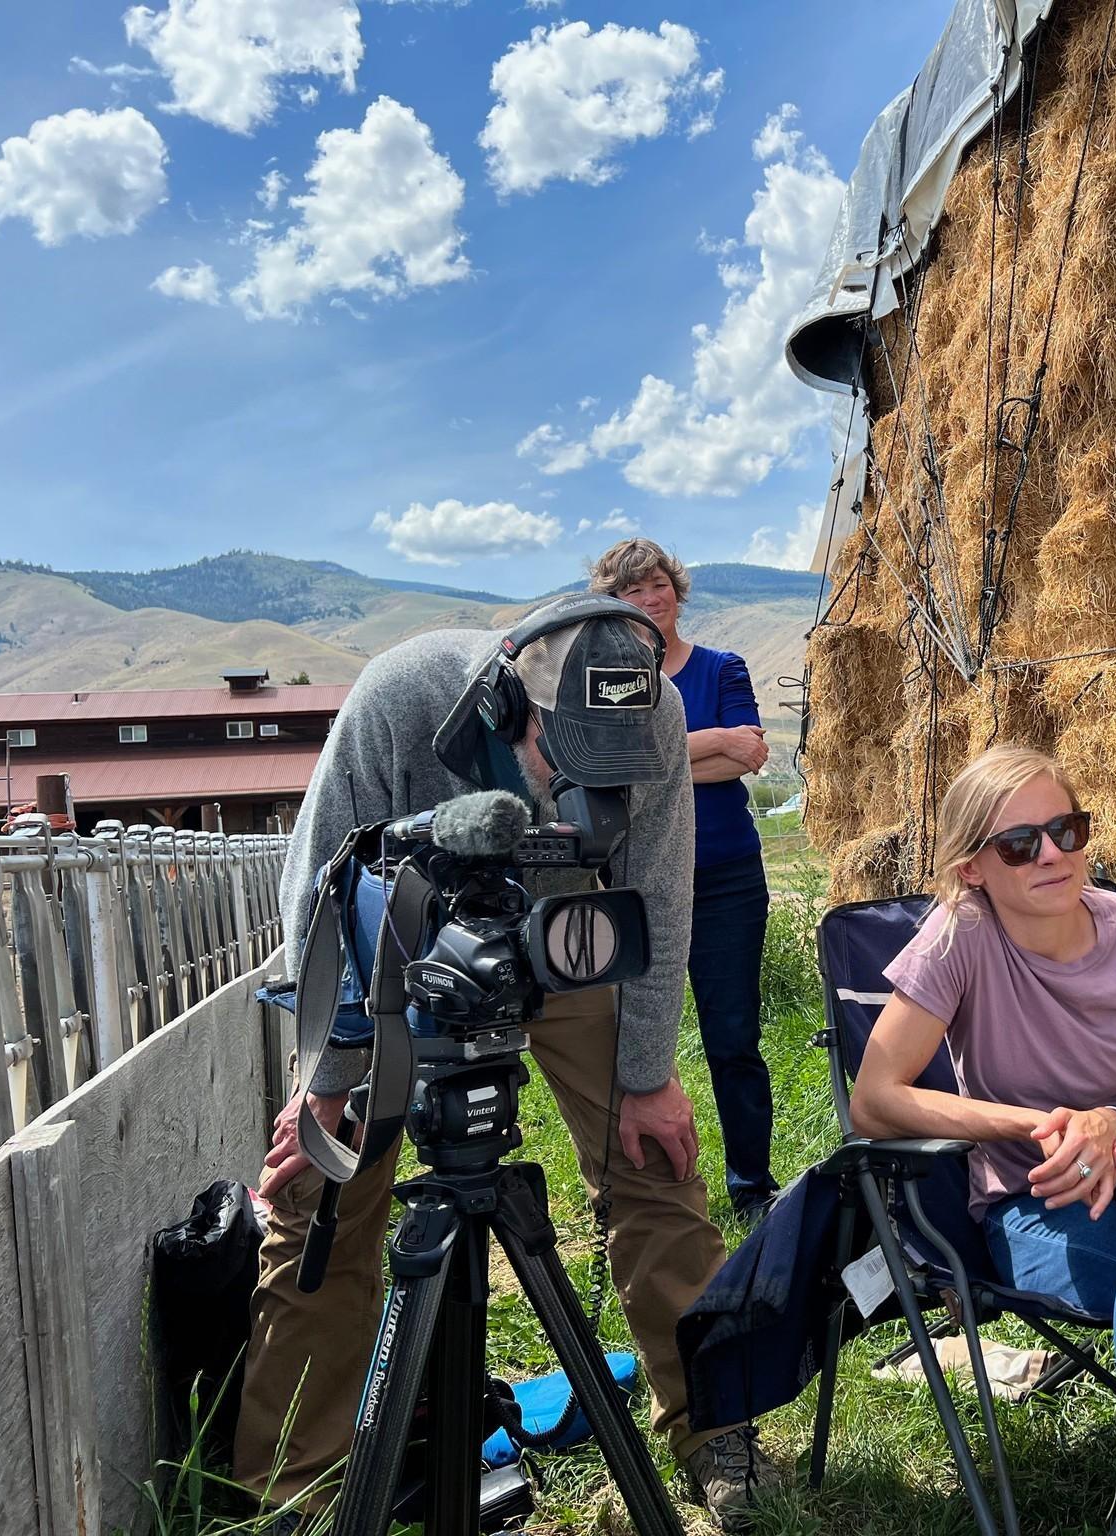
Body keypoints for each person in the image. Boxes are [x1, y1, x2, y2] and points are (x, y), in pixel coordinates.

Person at [232, 596, 778, 1529]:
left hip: (563, 937)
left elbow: (657, 900)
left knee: (657, 1165)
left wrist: (648, 1075)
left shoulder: (656, 717)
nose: (587, 795)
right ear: (505, 705)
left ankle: (714, 1425)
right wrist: (327, 1080)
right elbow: (321, 883)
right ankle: (294, 1487)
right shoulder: (402, 697)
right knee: (322, 1188)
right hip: (392, 945)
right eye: (568, 766)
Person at [849, 746, 1116, 1536]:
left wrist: (1113, 1126)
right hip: (1037, 1204)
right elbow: (875, 1097)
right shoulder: (960, 936)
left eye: (1067, 830)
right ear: (973, 869)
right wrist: (1033, 1127)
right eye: (1020, 843)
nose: (1053, 855)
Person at [593, 539, 779, 1222]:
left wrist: (656, 760)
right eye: (633, 590)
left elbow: (749, 755)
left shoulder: (722, 667)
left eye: (659, 584)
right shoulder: (607, 682)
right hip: (636, 883)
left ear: (677, 589)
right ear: (612, 604)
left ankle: (751, 1186)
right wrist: (709, 745)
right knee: (628, 1044)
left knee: (733, 1037)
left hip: (727, 875)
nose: (651, 598)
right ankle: (633, 1188)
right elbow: (607, 766)